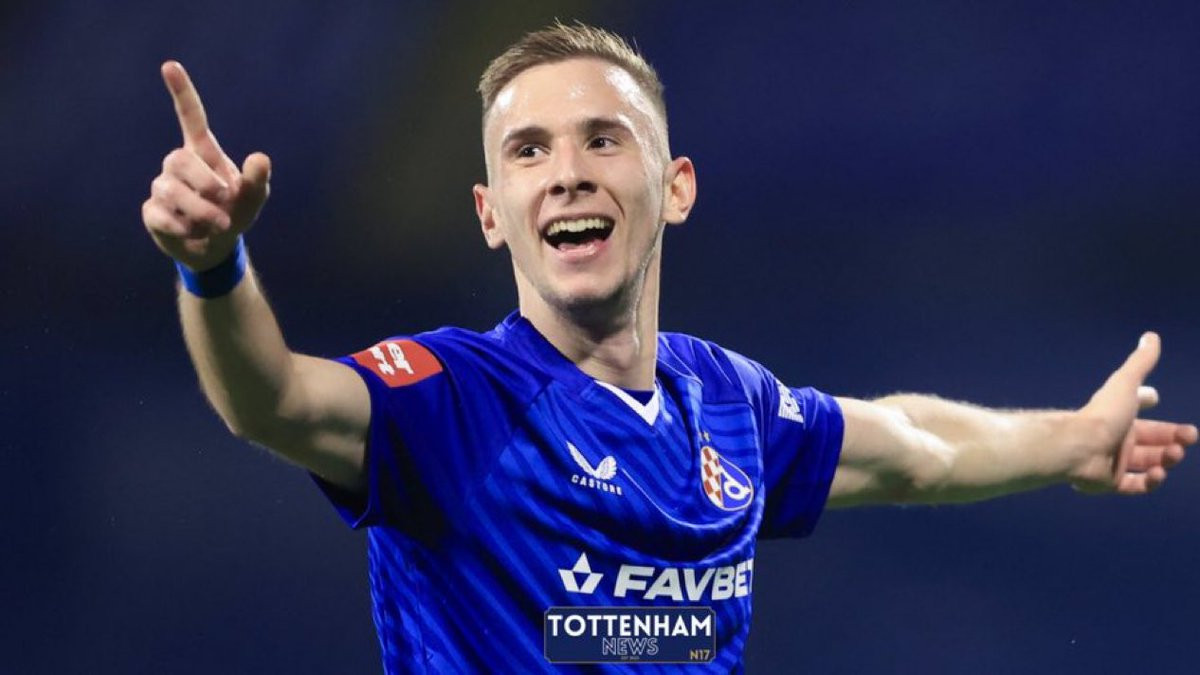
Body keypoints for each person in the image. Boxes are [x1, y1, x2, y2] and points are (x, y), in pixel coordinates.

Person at [141, 22, 1193, 674]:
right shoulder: (451, 399)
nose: (567, 171)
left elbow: (914, 446)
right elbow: (272, 400)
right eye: (528, 151)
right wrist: (213, 264)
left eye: (603, 139)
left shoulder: (727, 403)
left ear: (675, 187)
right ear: (492, 214)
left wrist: (1073, 442)